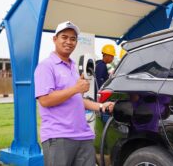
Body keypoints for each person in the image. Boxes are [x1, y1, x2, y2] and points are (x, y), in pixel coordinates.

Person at [34, 21, 114, 166]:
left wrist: (102, 106)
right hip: (59, 136)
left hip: (83, 135)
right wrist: (75, 89)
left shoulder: (73, 68)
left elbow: (77, 100)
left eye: (73, 38)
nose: (69, 42)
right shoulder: (46, 66)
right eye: (64, 37)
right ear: (55, 39)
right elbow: (45, 100)